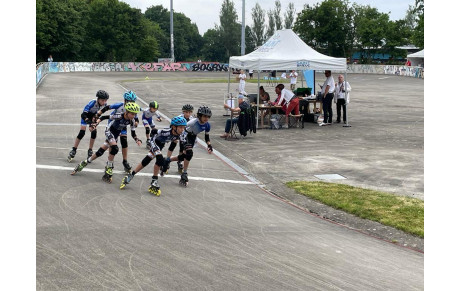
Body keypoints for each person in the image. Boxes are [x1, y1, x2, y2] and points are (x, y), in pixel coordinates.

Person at [71, 102, 142, 183]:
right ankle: (109, 167)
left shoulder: (132, 121)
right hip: (109, 131)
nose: (133, 116)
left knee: (100, 152)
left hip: (115, 135)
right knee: (115, 148)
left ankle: (85, 162)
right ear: (127, 112)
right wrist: (96, 124)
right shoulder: (119, 116)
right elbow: (104, 117)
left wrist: (137, 140)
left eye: (135, 114)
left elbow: (133, 133)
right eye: (132, 114)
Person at [119, 116, 188, 195]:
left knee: (148, 159)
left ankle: (131, 175)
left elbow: (183, 145)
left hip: (161, 145)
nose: (182, 129)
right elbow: (154, 131)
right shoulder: (166, 131)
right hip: (154, 142)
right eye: (180, 127)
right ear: (173, 127)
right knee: (159, 159)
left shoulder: (181, 134)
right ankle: (154, 180)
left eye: (183, 127)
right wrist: (150, 138)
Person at [164, 106, 213, 186]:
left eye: (208, 117)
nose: (206, 118)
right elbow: (181, 127)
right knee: (189, 153)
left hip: (192, 137)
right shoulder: (193, 122)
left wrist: (209, 145)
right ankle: (185, 173)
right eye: (204, 116)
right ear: (199, 116)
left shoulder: (207, 125)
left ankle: (167, 160)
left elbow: (206, 136)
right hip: (185, 135)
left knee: (184, 156)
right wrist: (174, 135)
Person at [67, 90, 110, 162]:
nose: (104, 102)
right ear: (98, 99)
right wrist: (89, 122)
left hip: (93, 116)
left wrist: (95, 120)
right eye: (102, 100)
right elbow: (83, 114)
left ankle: (90, 150)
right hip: (86, 117)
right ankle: (74, 149)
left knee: (93, 132)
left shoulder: (104, 105)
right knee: (82, 133)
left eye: (105, 100)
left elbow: (100, 114)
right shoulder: (92, 103)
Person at [105, 91, 140, 173]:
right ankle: (110, 162)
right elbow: (108, 108)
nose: (131, 103)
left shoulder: (132, 108)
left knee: (124, 141)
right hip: (114, 124)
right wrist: (98, 115)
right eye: (129, 101)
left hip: (123, 125)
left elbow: (136, 119)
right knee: (113, 143)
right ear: (125, 100)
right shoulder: (119, 105)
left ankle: (125, 161)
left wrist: (136, 123)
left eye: (133, 102)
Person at [166, 104, 195, 173]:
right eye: (186, 112)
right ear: (183, 112)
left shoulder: (192, 119)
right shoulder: (179, 117)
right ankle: (167, 160)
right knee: (173, 144)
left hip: (185, 135)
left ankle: (180, 162)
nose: (188, 114)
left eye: (190, 112)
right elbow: (172, 126)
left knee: (182, 148)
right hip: (177, 133)